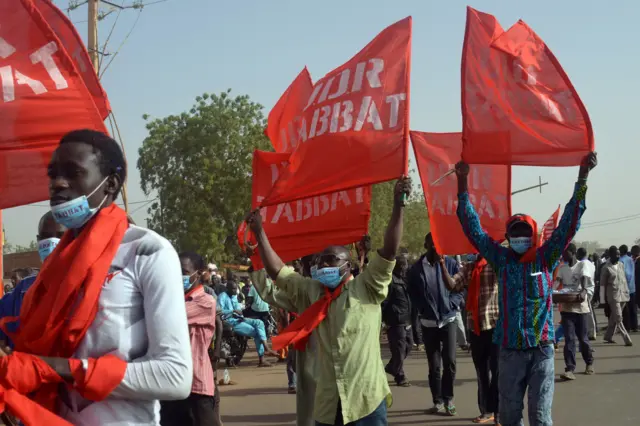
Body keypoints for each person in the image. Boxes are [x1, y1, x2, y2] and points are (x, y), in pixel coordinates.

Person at [0, 129, 193, 424]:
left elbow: (175, 377)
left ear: (110, 184)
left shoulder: (147, 251)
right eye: (53, 174)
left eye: (73, 173)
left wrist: (53, 368)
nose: (58, 184)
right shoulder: (54, 268)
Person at [245, 177, 411, 426]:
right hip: (327, 404)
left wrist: (399, 205)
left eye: (331, 259)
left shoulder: (366, 287)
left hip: (365, 401)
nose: (323, 265)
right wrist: (259, 232)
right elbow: (278, 271)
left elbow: (388, 250)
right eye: (320, 261)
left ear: (347, 265)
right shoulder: (310, 291)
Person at [455, 152, 596, 426]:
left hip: (541, 349)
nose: (520, 238)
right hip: (509, 350)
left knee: (540, 418)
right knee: (508, 417)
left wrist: (583, 176)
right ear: (508, 237)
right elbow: (472, 227)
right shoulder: (501, 259)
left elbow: (569, 222)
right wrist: (462, 183)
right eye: (514, 234)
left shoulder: (546, 257)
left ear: (532, 235)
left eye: (524, 233)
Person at [249, 264, 317, 426]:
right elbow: (271, 294)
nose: (326, 267)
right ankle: (292, 383)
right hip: (306, 345)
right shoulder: (304, 295)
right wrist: (256, 262)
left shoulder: (350, 292)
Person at [407, 233, 464, 416]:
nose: (436, 248)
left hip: (448, 320)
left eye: (439, 244)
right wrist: (422, 309)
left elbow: (459, 289)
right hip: (428, 322)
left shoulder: (450, 264)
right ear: (426, 245)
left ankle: (448, 399)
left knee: (451, 362)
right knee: (434, 366)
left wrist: (453, 303)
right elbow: (413, 294)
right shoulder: (415, 269)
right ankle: (437, 400)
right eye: (432, 244)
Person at [161, 251, 218, 426]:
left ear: (199, 273)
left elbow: (165, 316)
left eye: (184, 272)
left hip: (196, 385)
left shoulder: (205, 302)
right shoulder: (175, 299)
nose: (179, 276)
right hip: (171, 383)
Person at [0, 212, 66, 348]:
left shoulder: (91, 288)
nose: (52, 242)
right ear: (38, 240)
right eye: (46, 237)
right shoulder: (23, 290)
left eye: (61, 236)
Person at [464, 255, 500, 425]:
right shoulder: (469, 267)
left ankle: (498, 411)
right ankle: (486, 410)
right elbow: (452, 285)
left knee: (498, 372)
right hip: (476, 329)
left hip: (495, 328)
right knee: (482, 373)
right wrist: (442, 264)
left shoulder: (496, 265)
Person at [556, 244, 595, 380]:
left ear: (572, 253)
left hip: (581, 308)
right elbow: (557, 283)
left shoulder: (581, 265)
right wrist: (553, 292)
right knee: (569, 339)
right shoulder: (562, 268)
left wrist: (584, 291)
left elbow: (584, 278)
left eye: (565, 252)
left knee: (583, 339)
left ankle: (589, 363)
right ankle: (569, 369)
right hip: (567, 308)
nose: (563, 255)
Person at [217, 280, 278, 367]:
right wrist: (232, 310)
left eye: (236, 289)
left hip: (239, 318)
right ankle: (262, 358)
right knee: (257, 333)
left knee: (259, 323)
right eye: (233, 289)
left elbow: (238, 307)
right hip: (230, 321)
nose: (235, 291)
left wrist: (240, 309)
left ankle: (266, 348)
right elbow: (219, 311)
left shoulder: (234, 296)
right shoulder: (222, 297)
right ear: (228, 288)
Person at [381, 254, 413, 387]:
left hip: (407, 320)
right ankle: (400, 376)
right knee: (398, 350)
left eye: (405, 264)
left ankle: (391, 367)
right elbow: (384, 302)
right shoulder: (390, 281)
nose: (405, 267)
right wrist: (383, 321)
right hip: (395, 322)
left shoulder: (404, 280)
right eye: (402, 265)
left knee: (408, 346)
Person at [601, 246, 633, 346]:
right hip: (613, 296)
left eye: (619, 254)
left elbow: (623, 279)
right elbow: (602, 285)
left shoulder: (621, 265)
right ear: (610, 255)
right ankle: (626, 338)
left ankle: (608, 336)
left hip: (623, 294)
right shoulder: (606, 268)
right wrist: (602, 300)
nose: (618, 256)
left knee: (613, 317)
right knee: (618, 317)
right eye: (616, 254)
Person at [620, 245, 637, 332]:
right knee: (632, 308)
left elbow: (626, 274)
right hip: (632, 287)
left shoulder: (621, 260)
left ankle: (628, 326)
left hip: (625, 288)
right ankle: (634, 326)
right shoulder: (631, 259)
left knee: (625, 309)